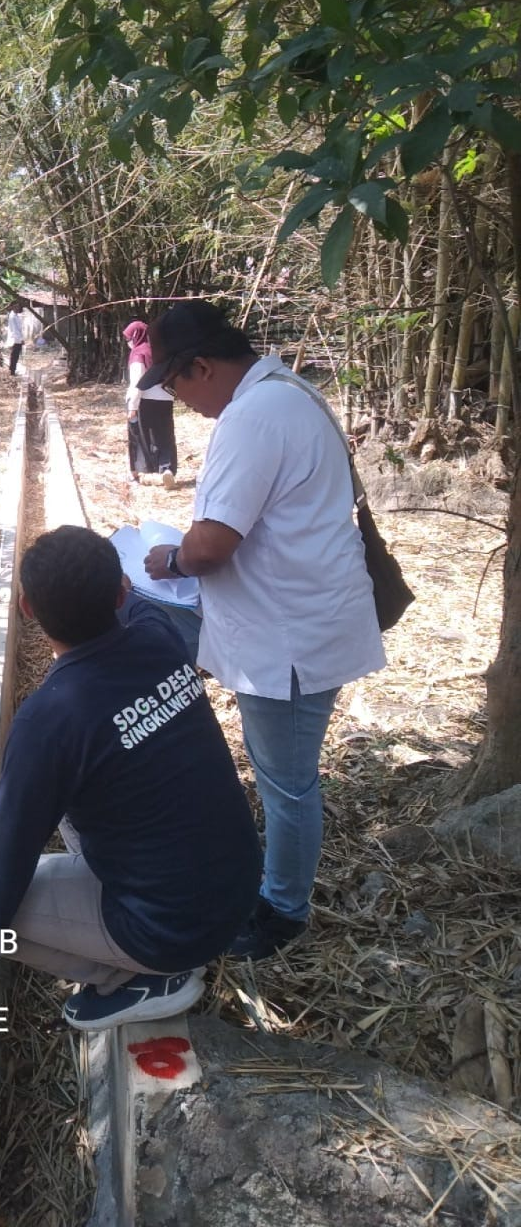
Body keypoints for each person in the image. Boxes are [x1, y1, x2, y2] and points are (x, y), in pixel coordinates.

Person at [0, 525, 261, 1061]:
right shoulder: (159, 638)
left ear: (27, 609)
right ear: (122, 592)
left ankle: (137, 978)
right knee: (80, 794)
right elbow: (144, 608)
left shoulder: (51, 718)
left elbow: (1, 869)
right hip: (235, 891)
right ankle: (142, 948)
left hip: (167, 930)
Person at [140, 300, 385, 959]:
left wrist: (167, 559)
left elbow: (213, 544)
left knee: (287, 780)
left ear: (201, 367)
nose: (179, 400)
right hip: (294, 614)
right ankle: (276, 887)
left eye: (175, 383)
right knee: (286, 773)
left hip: (290, 636)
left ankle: (282, 909)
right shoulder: (289, 392)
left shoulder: (252, 417)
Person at [123, 320, 177, 487]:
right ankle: (166, 468)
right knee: (164, 434)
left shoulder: (139, 353)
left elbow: (137, 382)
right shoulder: (161, 351)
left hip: (145, 399)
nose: (128, 342)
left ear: (136, 336)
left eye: (128, 338)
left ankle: (143, 472)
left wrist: (133, 405)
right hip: (166, 398)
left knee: (142, 437)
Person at [4, 300, 25, 376]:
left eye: (18, 306)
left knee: (15, 357)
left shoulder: (16, 316)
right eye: (15, 307)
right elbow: (15, 330)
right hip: (15, 340)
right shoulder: (12, 316)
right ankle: (12, 371)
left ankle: (13, 370)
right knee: (14, 357)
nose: (17, 308)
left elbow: (19, 329)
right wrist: (20, 339)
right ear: (12, 307)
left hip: (17, 339)